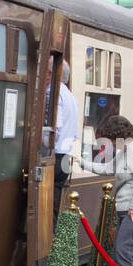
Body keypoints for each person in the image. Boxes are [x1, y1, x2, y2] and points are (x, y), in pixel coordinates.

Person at [78, 114, 133, 266]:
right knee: (122, 254)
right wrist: (81, 162)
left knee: (124, 252)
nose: (107, 143)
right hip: (125, 209)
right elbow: (107, 168)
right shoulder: (125, 151)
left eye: (108, 138)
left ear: (117, 135)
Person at [52, 61, 79, 217]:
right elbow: (73, 133)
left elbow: (54, 128)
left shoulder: (53, 93)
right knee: (54, 209)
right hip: (65, 158)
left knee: (45, 211)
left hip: (54, 157)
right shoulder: (71, 97)